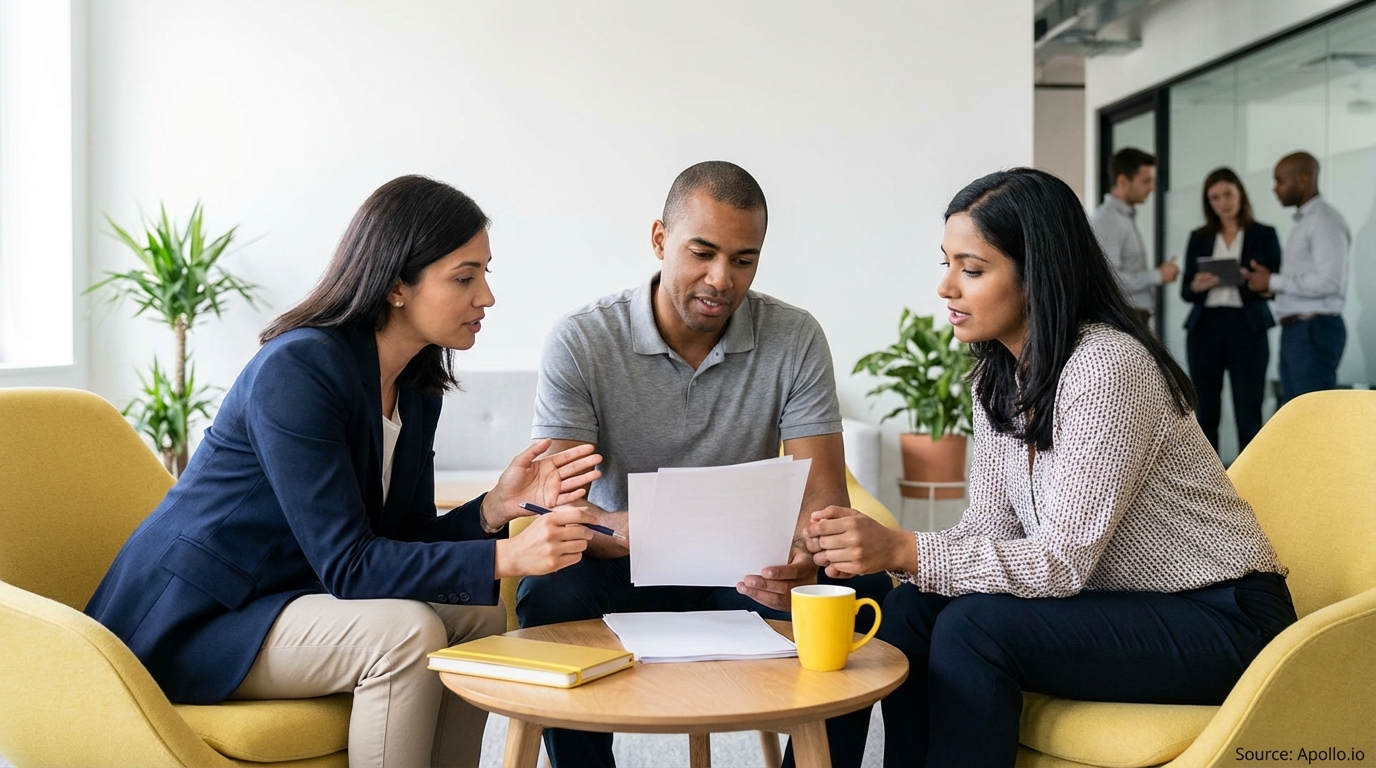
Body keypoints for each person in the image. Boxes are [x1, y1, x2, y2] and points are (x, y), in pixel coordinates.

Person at [86, 176, 607, 768]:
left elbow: (400, 544)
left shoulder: (415, 387)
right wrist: (507, 557)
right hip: (198, 620)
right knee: (404, 634)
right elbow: (350, 563)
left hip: (291, 599)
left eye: (486, 273)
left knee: (479, 611)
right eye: (464, 277)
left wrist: (493, 510)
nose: (485, 297)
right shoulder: (298, 369)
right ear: (396, 286)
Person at [806, 168, 1295, 768]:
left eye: (972, 269)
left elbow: (1061, 560)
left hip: (1225, 618)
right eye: (946, 263)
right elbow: (991, 526)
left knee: (974, 629)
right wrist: (895, 569)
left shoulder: (1106, 366)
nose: (945, 288)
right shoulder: (1000, 376)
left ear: (1036, 277)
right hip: (1123, 601)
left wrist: (906, 549)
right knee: (909, 611)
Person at [516, 161, 891, 768]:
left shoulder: (794, 337)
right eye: (703, 252)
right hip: (621, 562)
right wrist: (642, 530)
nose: (722, 279)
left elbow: (822, 500)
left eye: (744, 260)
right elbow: (559, 511)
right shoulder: (582, 340)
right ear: (660, 239)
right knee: (548, 592)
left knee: (853, 589)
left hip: (743, 569)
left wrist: (802, 555)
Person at [1180, 167, 1282, 453]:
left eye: (1228, 194)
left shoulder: (1263, 234)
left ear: (1240, 194)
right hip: (1205, 328)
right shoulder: (1198, 237)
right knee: (1205, 411)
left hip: (1247, 325)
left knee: (1249, 409)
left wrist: (1248, 278)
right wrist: (1197, 285)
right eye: (1214, 197)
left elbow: (1272, 285)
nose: (1223, 202)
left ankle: (1251, 482)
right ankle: (1207, 480)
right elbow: (1186, 290)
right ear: (1208, 203)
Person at [1243, 151, 1351, 403]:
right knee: (1297, 417)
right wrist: (1271, 283)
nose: (1275, 188)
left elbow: (1329, 282)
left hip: (1313, 329)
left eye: (1280, 180)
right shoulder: (1305, 222)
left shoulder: (1323, 220)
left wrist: (1273, 282)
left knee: (1312, 418)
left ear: (1303, 179)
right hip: (1299, 331)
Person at [1091, 147, 1179, 326]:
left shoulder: (1123, 217)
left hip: (1133, 318)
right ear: (1123, 181)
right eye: (1146, 181)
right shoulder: (1108, 219)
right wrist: (1158, 275)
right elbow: (1111, 279)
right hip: (1124, 320)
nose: (1152, 188)